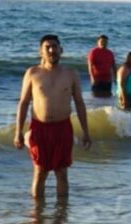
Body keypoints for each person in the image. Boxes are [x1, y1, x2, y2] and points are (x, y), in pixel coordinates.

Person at [14, 35, 92, 199]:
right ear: (40, 52)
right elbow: (23, 103)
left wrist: (86, 132)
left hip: (63, 128)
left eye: (55, 46)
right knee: (40, 172)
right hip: (39, 128)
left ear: (61, 50)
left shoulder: (71, 74)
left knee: (62, 173)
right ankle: (37, 217)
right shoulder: (32, 73)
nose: (51, 50)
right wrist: (18, 132)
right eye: (47, 47)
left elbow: (79, 103)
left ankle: (61, 216)